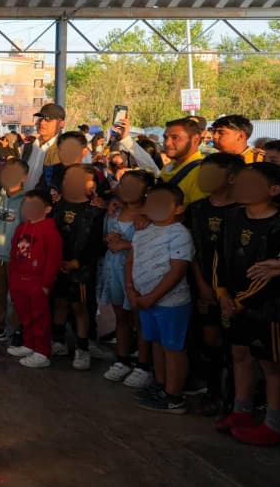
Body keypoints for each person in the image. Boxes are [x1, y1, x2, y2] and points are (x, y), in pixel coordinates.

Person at [215, 163, 280, 446]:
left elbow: (273, 274)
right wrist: (222, 292)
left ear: (273, 190)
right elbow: (219, 258)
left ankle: (273, 424)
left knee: (272, 364)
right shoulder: (232, 216)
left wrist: (241, 301)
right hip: (232, 302)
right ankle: (242, 410)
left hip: (269, 307)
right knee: (240, 354)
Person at [125, 182, 194, 414]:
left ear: (179, 208)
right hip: (144, 299)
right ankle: (161, 386)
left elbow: (178, 270)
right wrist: (131, 290)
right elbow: (131, 260)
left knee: (173, 348)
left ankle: (174, 396)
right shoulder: (143, 229)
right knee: (156, 342)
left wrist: (153, 296)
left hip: (170, 303)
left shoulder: (179, 233)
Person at [183, 152, 244, 407]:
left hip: (238, 290)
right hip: (204, 284)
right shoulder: (195, 209)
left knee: (238, 346)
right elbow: (192, 250)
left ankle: (236, 398)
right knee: (209, 338)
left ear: (231, 177)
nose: (204, 179)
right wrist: (201, 283)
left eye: (211, 174)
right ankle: (213, 390)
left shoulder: (243, 211)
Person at [98, 170, 154, 384]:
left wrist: (126, 245)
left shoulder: (150, 216)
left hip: (138, 274)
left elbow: (155, 246)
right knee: (121, 318)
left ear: (147, 190)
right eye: (124, 184)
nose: (127, 189)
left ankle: (143, 364)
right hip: (114, 272)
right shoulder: (114, 211)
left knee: (140, 321)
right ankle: (122, 360)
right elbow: (105, 237)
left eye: (134, 185)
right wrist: (108, 239)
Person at [52, 164, 105, 370]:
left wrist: (78, 261)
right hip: (56, 264)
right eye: (68, 177)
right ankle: (58, 341)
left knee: (80, 307)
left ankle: (83, 348)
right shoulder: (54, 206)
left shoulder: (97, 211)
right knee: (59, 301)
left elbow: (97, 242)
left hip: (82, 270)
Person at [5, 190, 61, 368]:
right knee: (25, 314)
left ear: (47, 209)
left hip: (37, 282)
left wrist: (46, 284)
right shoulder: (22, 228)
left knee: (39, 316)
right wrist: (13, 276)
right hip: (19, 279)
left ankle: (42, 351)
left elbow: (53, 259)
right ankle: (29, 344)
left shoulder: (50, 230)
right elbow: (13, 254)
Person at [0, 158, 28, 343]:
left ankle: (17, 330)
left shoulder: (26, 201)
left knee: (17, 297)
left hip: (15, 258)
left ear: (24, 177)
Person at [158, 118, 208, 204]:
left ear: (195, 139)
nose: (167, 143)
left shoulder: (202, 172)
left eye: (175, 138)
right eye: (165, 138)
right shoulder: (169, 166)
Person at [22, 103, 65, 190]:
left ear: (61, 124)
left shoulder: (64, 150)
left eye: (48, 119)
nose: (42, 123)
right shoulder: (27, 148)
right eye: (41, 118)